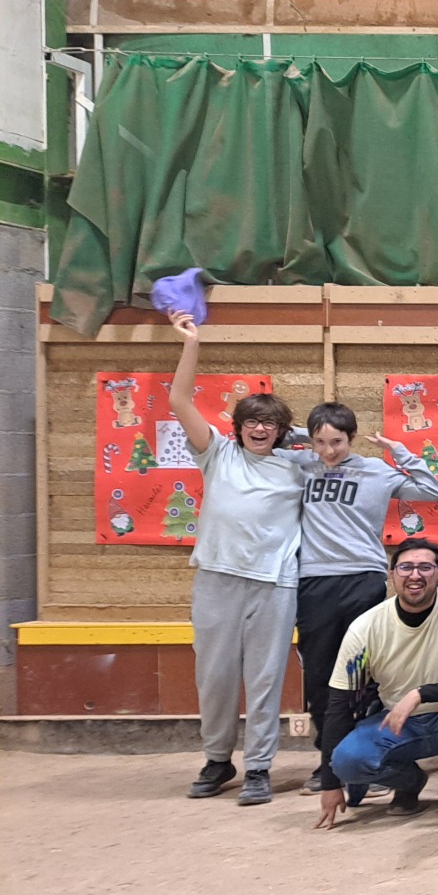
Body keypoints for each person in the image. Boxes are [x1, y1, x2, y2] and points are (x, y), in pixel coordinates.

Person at [165, 311, 303, 805]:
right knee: (215, 676)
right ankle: (218, 758)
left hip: (275, 582)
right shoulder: (217, 453)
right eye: (251, 422)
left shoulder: (297, 467)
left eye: (269, 423)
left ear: (281, 430)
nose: (259, 429)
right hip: (217, 579)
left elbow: (337, 449)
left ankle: (259, 767)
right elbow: (179, 401)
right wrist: (191, 344)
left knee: (265, 679)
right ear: (238, 427)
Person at [285, 402, 438, 793]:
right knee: (320, 674)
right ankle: (328, 760)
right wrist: (304, 436)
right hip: (315, 579)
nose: (328, 451)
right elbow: (269, 441)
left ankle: (368, 755)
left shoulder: (374, 470)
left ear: (351, 438)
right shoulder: (302, 465)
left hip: (364, 577)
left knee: (366, 672)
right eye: (320, 442)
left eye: (337, 442)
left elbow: (431, 489)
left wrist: (399, 451)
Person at [309, 538, 438, 826]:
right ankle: (409, 781)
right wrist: (330, 784)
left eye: (425, 567)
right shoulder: (365, 628)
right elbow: (339, 705)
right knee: (347, 761)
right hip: (397, 724)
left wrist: (420, 694)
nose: (415, 575)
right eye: (405, 568)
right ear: (392, 575)